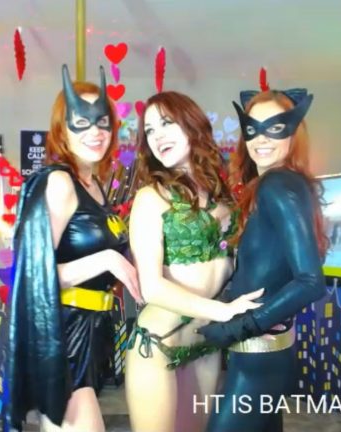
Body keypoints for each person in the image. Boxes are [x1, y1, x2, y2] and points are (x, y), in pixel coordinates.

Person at [5, 65, 140, 432]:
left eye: (103, 123)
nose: (95, 132)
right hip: (63, 335)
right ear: (61, 129)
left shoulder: (94, 184)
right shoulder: (59, 182)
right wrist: (107, 259)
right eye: (81, 122)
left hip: (93, 330)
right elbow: (32, 277)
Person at [125, 91, 263, 432]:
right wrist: (224, 312)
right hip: (158, 343)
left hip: (204, 345)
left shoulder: (225, 198)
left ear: (192, 124)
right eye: (150, 130)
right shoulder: (150, 198)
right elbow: (151, 287)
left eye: (166, 123)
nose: (157, 136)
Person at [198, 88, 329, 432]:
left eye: (275, 128)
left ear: (294, 132)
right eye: (253, 128)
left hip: (259, 354)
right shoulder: (277, 184)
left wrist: (238, 328)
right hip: (264, 351)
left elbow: (311, 281)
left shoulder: (278, 185)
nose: (261, 138)